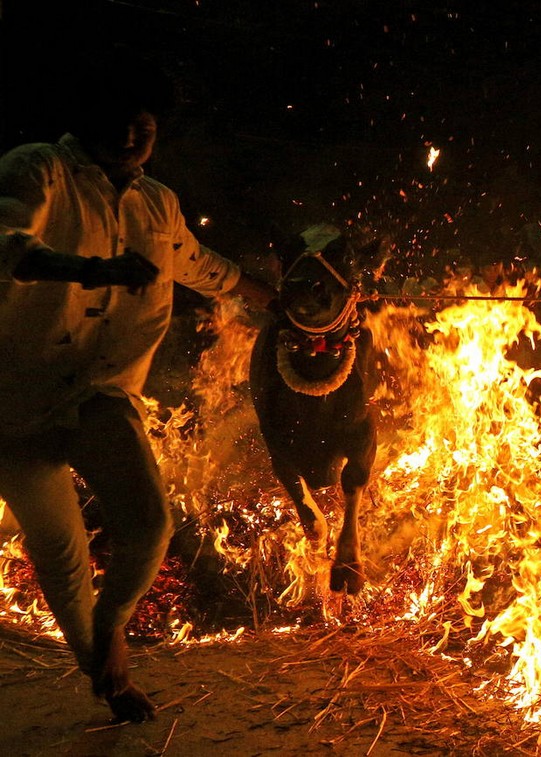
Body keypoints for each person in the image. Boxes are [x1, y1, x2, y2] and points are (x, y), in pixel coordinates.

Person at [0, 46, 275, 723]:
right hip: (15, 399)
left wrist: (272, 297)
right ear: (88, 114)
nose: (129, 134)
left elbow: (197, 262)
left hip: (101, 395)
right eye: (117, 118)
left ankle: (113, 627)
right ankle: (110, 676)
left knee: (150, 526)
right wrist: (91, 271)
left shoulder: (157, 202)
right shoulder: (38, 169)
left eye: (144, 124)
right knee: (63, 560)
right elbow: (7, 245)